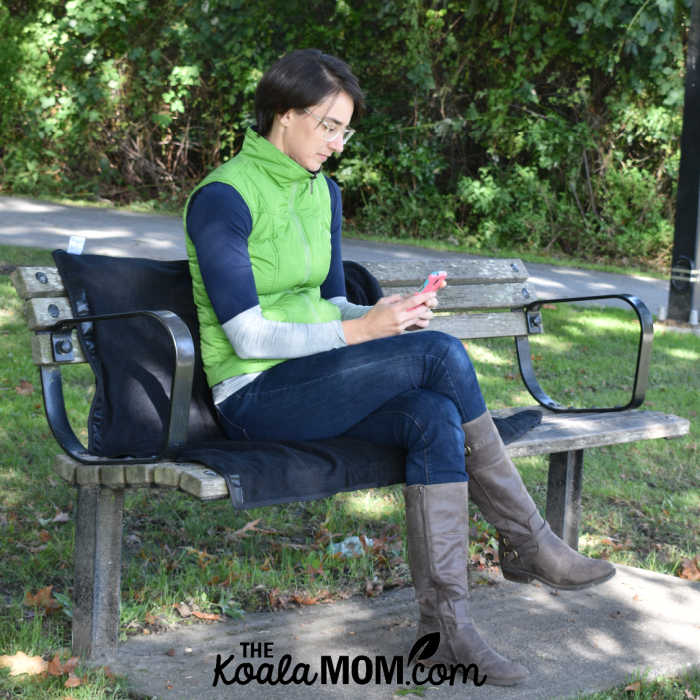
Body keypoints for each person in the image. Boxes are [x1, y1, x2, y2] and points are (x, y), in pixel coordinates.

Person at [183, 49, 614, 686]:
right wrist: (360, 330)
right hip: (254, 393)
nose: (337, 143)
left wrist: (380, 311)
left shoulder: (320, 192)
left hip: (316, 379)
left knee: (434, 415)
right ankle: (528, 540)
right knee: (439, 353)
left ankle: (448, 633)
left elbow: (326, 299)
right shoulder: (223, 197)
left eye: (344, 129)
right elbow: (246, 335)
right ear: (282, 114)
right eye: (327, 125)